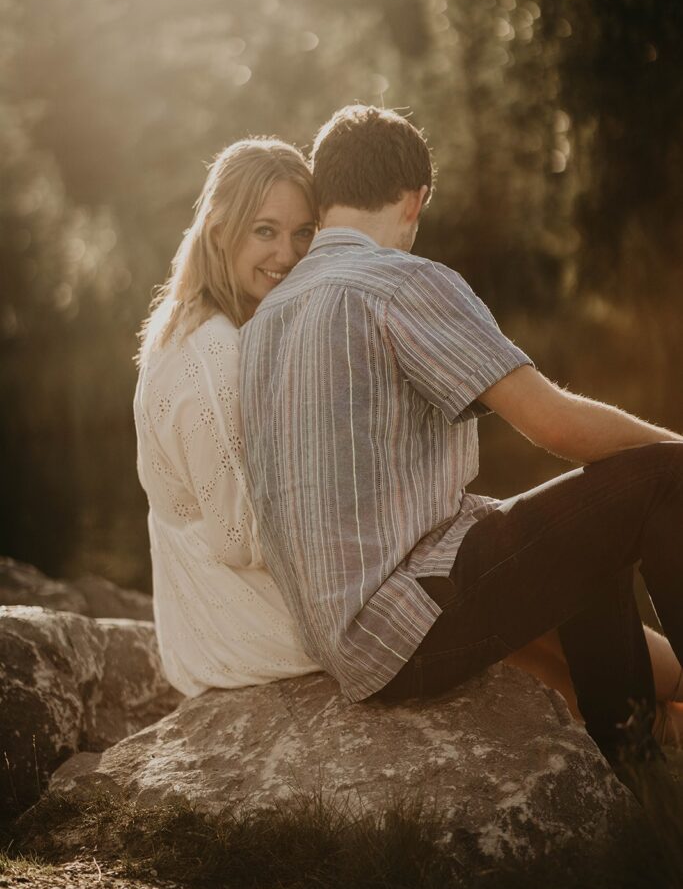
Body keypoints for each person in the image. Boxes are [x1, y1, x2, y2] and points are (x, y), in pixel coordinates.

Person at [239, 104, 683, 766]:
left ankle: (630, 757)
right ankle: (630, 747)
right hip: (404, 621)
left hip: (350, 639)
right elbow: (554, 423)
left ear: (325, 194)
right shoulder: (399, 280)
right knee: (660, 480)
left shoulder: (262, 322)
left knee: (591, 527)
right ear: (415, 200)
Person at [134, 138, 320, 696]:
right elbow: (242, 537)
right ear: (220, 231)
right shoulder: (214, 351)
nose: (286, 255)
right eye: (265, 231)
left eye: (302, 233)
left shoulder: (193, 320)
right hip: (241, 631)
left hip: (202, 628)